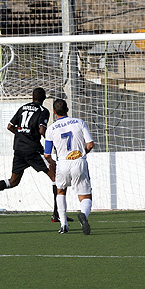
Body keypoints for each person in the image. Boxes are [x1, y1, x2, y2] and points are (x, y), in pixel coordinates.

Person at [0, 87, 64, 222]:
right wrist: (51, 141)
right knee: (55, 177)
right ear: (43, 98)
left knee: (13, 181)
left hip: (19, 149)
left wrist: (21, 135)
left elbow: (9, 126)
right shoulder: (43, 111)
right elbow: (42, 129)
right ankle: (57, 214)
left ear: (32, 97)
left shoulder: (23, 107)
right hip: (33, 150)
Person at [44, 99, 94, 235]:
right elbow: (90, 144)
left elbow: (47, 154)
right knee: (85, 196)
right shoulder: (79, 122)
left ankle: (63, 225)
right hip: (79, 161)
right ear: (67, 109)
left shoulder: (51, 129)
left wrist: (52, 162)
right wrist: (82, 153)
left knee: (60, 191)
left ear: (54, 112)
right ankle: (83, 214)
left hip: (62, 163)